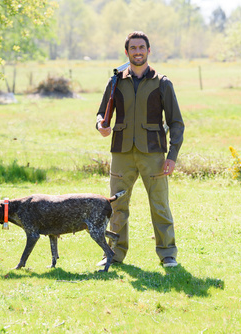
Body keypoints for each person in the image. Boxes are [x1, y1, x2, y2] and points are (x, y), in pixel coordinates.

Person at [96, 31, 184, 268]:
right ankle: (113, 254)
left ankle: (168, 255)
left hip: (154, 154)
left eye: (141, 48)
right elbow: (102, 112)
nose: (137, 52)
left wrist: (172, 156)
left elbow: (176, 122)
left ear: (148, 51)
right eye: (133, 48)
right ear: (127, 52)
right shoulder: (115, 81)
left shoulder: (162, 83)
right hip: (121, 154)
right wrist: (100, 125)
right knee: (116, 206)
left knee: (159, 205)